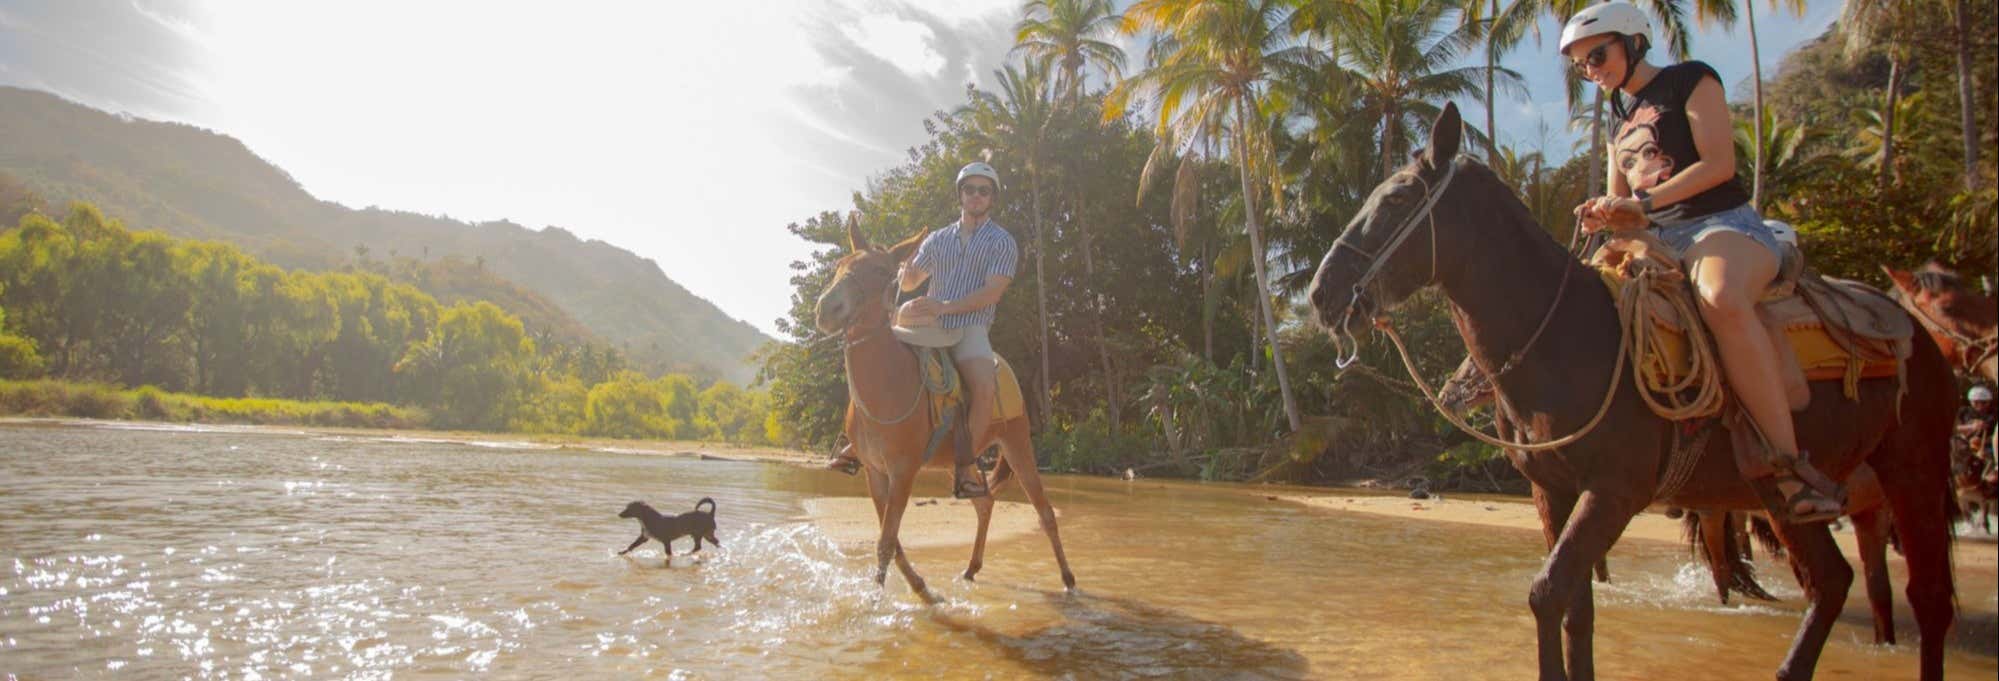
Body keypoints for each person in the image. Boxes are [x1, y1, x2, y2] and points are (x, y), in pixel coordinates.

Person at [1560, 2, 1842, 523]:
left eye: (1597, 55)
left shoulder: (1690, 80)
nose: (1591, 70)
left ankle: (1790, 465)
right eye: (1581, 65)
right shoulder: (1618, 121)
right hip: (1657, 239)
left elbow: (1719, 165)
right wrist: (1605, 213)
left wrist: (1641, 206)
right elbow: (1622, 201)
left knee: (1720, 297)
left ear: (1634, 41)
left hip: (1722, 225)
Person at [826, 162, 1017, 499]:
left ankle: (966, 465)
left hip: (970, 325)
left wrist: (946, 307)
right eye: (969, 189)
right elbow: (913, 279)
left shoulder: (1002, 242)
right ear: (960, 194)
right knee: (873, 356)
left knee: (984, 384)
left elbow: (992, 292)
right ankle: (857, 441)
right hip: (925, 321)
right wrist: (904, 270)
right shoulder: (938, 239)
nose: (975, 195)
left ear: (992, 198)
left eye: (983, 190)